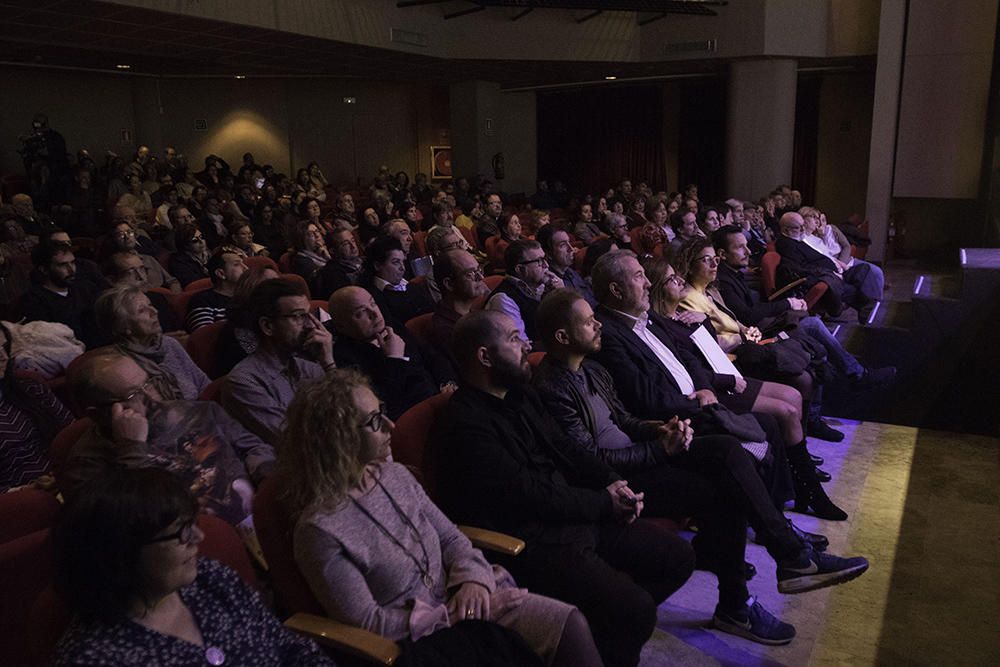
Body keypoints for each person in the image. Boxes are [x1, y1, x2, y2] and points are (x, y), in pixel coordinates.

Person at [531, 289, 869, 643]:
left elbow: (625, 419)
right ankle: (769, 574)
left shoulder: (592, 370)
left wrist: (659, 429)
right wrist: (661, 448)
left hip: (641, 454)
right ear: (562, 336)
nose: (598, 324)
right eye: (588, 322)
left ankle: (771, 574)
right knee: (723, 476)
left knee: (725, 455)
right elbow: (590, 463)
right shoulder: (553, 387)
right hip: (615, 481)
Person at [285, 370, 600, 666]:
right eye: (374, 421)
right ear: (336, 440)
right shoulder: (320, 530)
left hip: (464, 598)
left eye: (382, 411)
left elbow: (451, 538)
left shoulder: (394, 475)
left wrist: (473, 582)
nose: (390, 426)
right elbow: (369, 623)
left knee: (570, 624)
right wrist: (454, 614)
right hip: (416, 640)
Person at [435, 310, 695, 667]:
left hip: (571, 516)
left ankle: (601, 644)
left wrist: (611, 482)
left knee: (677, 559)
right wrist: (604, 504)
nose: (526, 345)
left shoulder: (519, 394)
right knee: (633, 609)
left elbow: (568, 450)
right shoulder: (464, 424)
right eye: (513, 339)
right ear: (484, 356)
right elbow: (529, 494)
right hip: (527, 540)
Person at [591, 250, 846, 521]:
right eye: (639, 276)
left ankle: (793, 497)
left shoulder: (648, 318)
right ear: (616, 290)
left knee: (784, 406)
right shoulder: (612, 332)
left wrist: (707, 390)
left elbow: (688, 357)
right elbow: (644, 395)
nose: (648, 284)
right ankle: (788, 508)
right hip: (683, 411)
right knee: (777, 415)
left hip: (709, 388)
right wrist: (700, 399)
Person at [52, 467, 334, 666]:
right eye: (181, 532)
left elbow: (290, 648)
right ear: (121, 553)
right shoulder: (90, 656)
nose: (199, 537)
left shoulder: (210, 578)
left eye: (193, 524)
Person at [65, 349, 275, 525]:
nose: (152, 398)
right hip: (195, 550)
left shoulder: (200, 411)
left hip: (263, 518)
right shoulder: (86, 463)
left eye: (148, 384)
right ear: (96, 413)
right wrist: (131, 448)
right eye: (132, 395)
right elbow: (130, 523)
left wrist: (268, 480)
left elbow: (253, 447)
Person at [711, 225, 896, 390]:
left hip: (760, 324)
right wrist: (786, 303)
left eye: (746, 245)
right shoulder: (724, 280)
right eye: (739, 247)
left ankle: (851, 372)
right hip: (753, 334)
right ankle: (856, 374)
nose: (748, 251)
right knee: (812, 326)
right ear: (722, 254)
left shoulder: (733, 273)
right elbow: (746, 315)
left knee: (812, 324)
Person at [223, 278, 336, 447]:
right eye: (298, 316)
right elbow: (293, 439)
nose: (310, 326)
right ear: (268, 326)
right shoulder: (243, 381)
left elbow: (351, 415)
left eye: (309, 315)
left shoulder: (310, 368)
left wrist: (328, 362)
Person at [327, 286, 441, 420]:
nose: (374, 313)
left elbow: (432, 358)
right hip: (410, 419)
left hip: (437, 401)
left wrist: (447, 383)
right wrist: (395, 359)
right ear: (341, 326)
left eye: (373, 303)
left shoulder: (394, 327)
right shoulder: (343, 358)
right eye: (360, 313)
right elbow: (384, 404)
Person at [95, 285, 209, 401]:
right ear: (123, 326)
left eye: (150, 305)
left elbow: (203, 383)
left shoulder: (169, 344)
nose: (154, 311)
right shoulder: (121, 366)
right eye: (142, 310)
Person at [0, 321, 72, 491]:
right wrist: (25, 491)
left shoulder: (29, 387)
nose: (3, 356)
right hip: (13, 502)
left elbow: (70, 430)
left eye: (4, 347)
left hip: (63, 478)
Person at [22, 239, 101, 348]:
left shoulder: (85, 288)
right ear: (44, 269)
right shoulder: (34, 301)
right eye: (62, 265)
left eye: (72, 262)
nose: (71, 269)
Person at [485, 240, 563, 348]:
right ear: (521, 269)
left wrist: (558, 297)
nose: (547, 265)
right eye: (539, 261)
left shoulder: (543, 287)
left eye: (545, 259)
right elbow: (523, 347)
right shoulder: (503, 300)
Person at [362, 236, 436, 328]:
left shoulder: (413, 287)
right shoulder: (373, 297)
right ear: (377, 265)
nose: (402, 268)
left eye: (402, 262)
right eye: (396, 262)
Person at [185, 247, 247, 332]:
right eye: (237, 264)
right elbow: (204, 337)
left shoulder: (249, 296)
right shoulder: (202, 300)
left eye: (243, 263)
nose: (246, 268)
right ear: (221, 274)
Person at [536, 225, 596, 306]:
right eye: (562, 245)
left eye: (569, 242)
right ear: (548, 253)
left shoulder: (571, 272)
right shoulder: (550, 284)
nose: (571, 249)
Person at [315, 227, 364, 300]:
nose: (353, 246)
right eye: (345, 244)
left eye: (353, 240)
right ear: (333, 251)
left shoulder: (363, 261)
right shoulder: (333, 273)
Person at [289, 221, 330, 296]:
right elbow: (322, 284)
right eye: (311, 234)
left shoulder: (323, 252)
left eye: (317, 231)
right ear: (302, 239)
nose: (317, 235)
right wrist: (329, 259)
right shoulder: (301, 262)